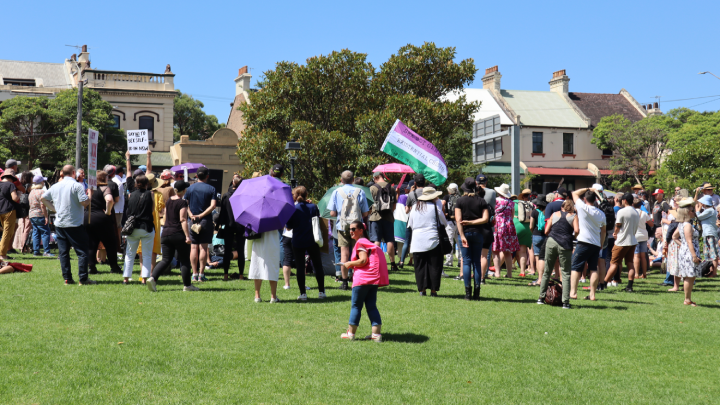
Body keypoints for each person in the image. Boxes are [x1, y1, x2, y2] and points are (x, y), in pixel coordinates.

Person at [41, 165, 94, 285]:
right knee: (82, 251)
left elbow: (43, 198)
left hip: (60, 223)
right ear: (74, 173)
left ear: (62, 174)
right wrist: (90, 195)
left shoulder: (55, 186)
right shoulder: (76, 185)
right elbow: (84, 202)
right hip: (74, 223)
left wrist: (54, 209)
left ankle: (67, 278)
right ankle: (83, 278)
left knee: (63, 252)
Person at [340, 220, 388, 342]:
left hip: (362, 280)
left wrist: (349, 263)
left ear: (361, 231)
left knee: (356, 306)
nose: (351, 232)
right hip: (373, 280)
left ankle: (350, 334)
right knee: (372, 306)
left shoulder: (360, 242)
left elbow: (363, 260)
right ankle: (376, 335)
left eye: (353, 229)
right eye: (349, 229)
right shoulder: (367, 242)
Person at [146, 181, 198, 292]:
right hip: (178, 233)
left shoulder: (169, 200)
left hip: (166, 232)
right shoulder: (182, 202)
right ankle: (187, 286)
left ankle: (153, 278)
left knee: (166, 259)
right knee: (184, 260)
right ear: (184, 190)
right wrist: (187, 236)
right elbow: (183, 219)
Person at [328, 170, 370, 290]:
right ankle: (357, 279)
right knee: (358, 253)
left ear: (341, 180)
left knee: (344, 254)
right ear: (353, 180)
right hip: (357, 226)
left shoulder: (336, 192)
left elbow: (332, 212)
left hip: (342, 226)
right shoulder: (360, 191)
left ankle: (344, 281)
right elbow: (365, 212)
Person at [285, 186, 326, 300]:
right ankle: (321, 292)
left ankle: (303, 293)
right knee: (318, 265)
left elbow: (288, 228)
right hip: (313, 240)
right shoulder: (313, 207)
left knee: (299, 267)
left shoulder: (293, 209)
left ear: (294, 196)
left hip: (298, 240)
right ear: (306, 195)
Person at [538, 200, 578, 309]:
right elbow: (577, 230)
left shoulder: (554, 214)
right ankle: (565, 302)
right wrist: (572, 237)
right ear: (572, 207)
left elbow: (546, 231)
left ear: (562, 207)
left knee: (547, 270)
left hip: (551, 241)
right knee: (565, 272)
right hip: (565, 243)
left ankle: (541, 298)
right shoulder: (573, 216)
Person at [569, 188, 606, 301]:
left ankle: (573, 293)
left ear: (584, 199)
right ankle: (592, 295)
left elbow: (574, 193)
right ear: (595, 199)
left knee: (575, 267)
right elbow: (603, 231)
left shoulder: (582, 207)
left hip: (583, 242)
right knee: (593, 268)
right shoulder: (601, 213)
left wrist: (588, 188)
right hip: (595, 243)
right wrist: (601, 243)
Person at [408, 187, 446, 296]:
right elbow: (444, 223)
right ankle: (433, 290)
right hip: (433, 240)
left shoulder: (415, 207)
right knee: (434, 266)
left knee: (419, 266)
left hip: (417, 240)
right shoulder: (435, 208)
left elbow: (410, 224)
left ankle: (422, 290)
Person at [454, 178, 489, 300]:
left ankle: (468, 293)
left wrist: (462, 235)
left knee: (467, 261)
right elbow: (485, 219)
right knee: (477, 262)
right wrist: (473, 222)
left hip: (465, 234)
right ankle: (477, 293)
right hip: (478, 233)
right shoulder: (481, 201)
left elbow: (458, 220)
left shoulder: (460, 201)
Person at [183, 166, 218, 282]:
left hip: (191, 221)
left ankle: (194, 274)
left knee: (193, 247)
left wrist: (192, 215)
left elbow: (185, 204)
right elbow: (213, 206)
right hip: (206, 221)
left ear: (197, 176)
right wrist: (201, 216)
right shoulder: (212, 189)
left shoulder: (189, 188)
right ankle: (201, 274)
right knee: (203, 248)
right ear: (207, 176)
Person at [84, 171, 121, 274]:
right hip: (101, 218)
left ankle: (91, 267)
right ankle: (114, 267)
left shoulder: (89, 190)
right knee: (110, 243)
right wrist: (108, 212)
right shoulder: (105, 188)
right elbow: (109, 200)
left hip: (87, 217)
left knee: (92, 243)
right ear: (104, 178)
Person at [122, 174, 155, 285]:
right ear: (147, 184)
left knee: (130, 253)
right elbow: (152, 209)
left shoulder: (130, 195)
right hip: (147, 227)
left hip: (133, 227)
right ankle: (144, 279)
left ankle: (126, 278)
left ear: (136, 184)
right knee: (146, 254)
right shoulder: (150, 194)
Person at [604, 193, 640, 292]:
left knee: (614, 263)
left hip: (622, 241)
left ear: (624, 200)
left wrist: (615, 233)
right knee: (629, 263)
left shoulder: (622, 211)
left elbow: (618, 225)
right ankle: (629, 286)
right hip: (632, 240)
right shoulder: (636, 212)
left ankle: (603, 283)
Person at [670, 198, 702, 306]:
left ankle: (688, 299)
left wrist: (682, 245)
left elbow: (674, 237)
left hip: (685, 251)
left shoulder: (682, 224)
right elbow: (688, 241)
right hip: (689, 252)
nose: (694, 212)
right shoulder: (687, 225)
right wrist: (694, 255)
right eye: (692, 210)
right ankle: (687, 300)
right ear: (687, 212)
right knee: (689, 276)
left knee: (689, 276)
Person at [216, 174, 246, 281]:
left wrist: (219, 224)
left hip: (229, 225)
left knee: (227, 250)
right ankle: (241, 275)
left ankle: (225, 275)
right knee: (241, 250)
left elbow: (223, 212)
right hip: (241, 225)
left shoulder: (226, 195)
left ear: (233, 182)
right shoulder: (244, 196)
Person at [368, 172, 398, 272]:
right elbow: (394, 205)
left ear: (376, 177)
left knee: (376, 240)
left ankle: (376, 263)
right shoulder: (392, 188)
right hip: (388, 217)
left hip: (375, 217)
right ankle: (393, 264)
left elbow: (369, 205)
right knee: (389, 240)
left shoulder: (372, 188)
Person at [491, 184, 519, 278]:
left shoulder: (496, 200)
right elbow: (511, 215)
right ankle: (509, 274)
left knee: (495, 250)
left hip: (498, 225)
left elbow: (493, 213)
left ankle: (497, 273)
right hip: (509, 226)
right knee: (507, 251)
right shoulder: (511, 203)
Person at [249, 228, 281, 303]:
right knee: (272, 266)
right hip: (272, 240)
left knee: (257, 265)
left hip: (258, 239)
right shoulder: (274, 215)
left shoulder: (256, 215)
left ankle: (257, 296)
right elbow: (282, 227)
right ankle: (273, 296)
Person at [28, 175, 53, 257]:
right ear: (40, 182)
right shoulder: (42, 192)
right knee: (45, 232)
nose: (44, 182)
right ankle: (46, 251)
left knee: (36, 232)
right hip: (39, 214)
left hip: (32, 214)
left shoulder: (31, 192)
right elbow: (43, 205)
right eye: (43, 181)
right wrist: (46, 216)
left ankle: (36, 251)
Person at [695, 195, 719, 277]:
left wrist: (697, 210)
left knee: (713, 254)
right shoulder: (710, 210)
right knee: (708, 254)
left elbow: (699, 216)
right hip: (707, 234)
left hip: (710, 234)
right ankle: (711, 271)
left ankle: (714, 272)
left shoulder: (710, 210)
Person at [0, 170, 20, 261]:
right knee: (7, 233)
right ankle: (2, 254)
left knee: (6, 232)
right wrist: (19, 194)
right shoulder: (11, 185)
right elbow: (15, 198)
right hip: (9, 210)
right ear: (12, 178)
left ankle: (2, 252)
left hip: (0, 211)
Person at [12, 171, 33, 254]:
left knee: (21, 228)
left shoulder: (19, 186)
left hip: (21, 208)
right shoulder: (29, 186)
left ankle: (20, 245)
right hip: (28, 208)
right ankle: (23, 247)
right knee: (27, 228)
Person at [513, 189, 533, 276]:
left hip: (516, 226)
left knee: (508, 250)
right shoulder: (531, 204)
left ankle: (503, 270)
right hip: (528, 228)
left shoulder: (514, 203)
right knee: (523, 251)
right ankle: (522, 272)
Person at [529, 195, 548, 286]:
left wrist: (533, 233)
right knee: (544, 257)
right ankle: (543, 277)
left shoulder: (534, 212)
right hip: (546, 235)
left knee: (538, 258)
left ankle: (539, 278)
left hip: (536, 235)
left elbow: (531, 226)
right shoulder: (547, 212)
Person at [633, 197, 654, 279]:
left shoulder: (632, 213)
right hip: (644, 235)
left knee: (636, 256)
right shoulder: (644, 213)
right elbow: (651, 224)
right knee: (643, 256)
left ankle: (636, 274)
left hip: (635, 235)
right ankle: (644, 274)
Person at [442, 183, 461, 268]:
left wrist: (443, 213)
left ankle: (449, 261)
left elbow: (442, 204)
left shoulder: (446, 197)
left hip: (450, 221)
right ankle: (460, 261)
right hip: (459, 222)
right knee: (459, 241)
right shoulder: (461, 197)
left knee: (450, 240)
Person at [393, 185, 409, 268]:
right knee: (409, 242)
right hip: (409, 221)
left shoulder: (402, 197)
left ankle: (401, 260)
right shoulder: (413, 196)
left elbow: (396, 207)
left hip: (400, 221)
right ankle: (411, 260)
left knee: (401, 243)